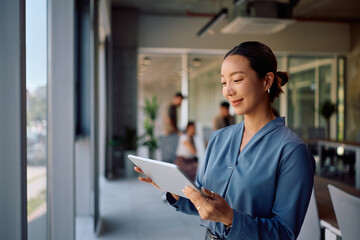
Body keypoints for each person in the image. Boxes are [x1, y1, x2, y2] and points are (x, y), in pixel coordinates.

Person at [135, 41, 315, 240]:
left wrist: (230, 218)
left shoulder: (292, 151)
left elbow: (285, 233)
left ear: (267, 81)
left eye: (237, 80)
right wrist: (174, 189)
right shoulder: (220, 138)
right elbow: (204, 202)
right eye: (223, 82)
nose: (228, 91)